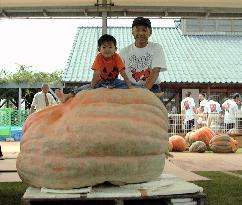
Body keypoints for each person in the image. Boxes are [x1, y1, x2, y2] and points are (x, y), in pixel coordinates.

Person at [56, 34, 133, 103]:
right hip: (101, 81)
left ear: (115, 49)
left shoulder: (117, 57)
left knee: (130, 84)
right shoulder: (99, 57)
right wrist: (92, 87)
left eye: (110, 47)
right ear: (99, 49)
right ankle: (67, 96)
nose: (107, 49)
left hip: (115, 81)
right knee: (84, 87)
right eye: (104, 47)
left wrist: (129, 85)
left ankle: (141, 90)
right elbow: (96, 73)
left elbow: (123, 72)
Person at [119, 17, 167, 98]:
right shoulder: (124, 52)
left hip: (152, 87)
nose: (140, 33)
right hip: (130, 88)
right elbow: (119, 72)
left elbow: (156, 70)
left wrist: (143, 92)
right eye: (137, 30)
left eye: (144, 30)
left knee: (157, 110)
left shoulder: (156, 48)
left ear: (150, 32)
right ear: (132, 32)